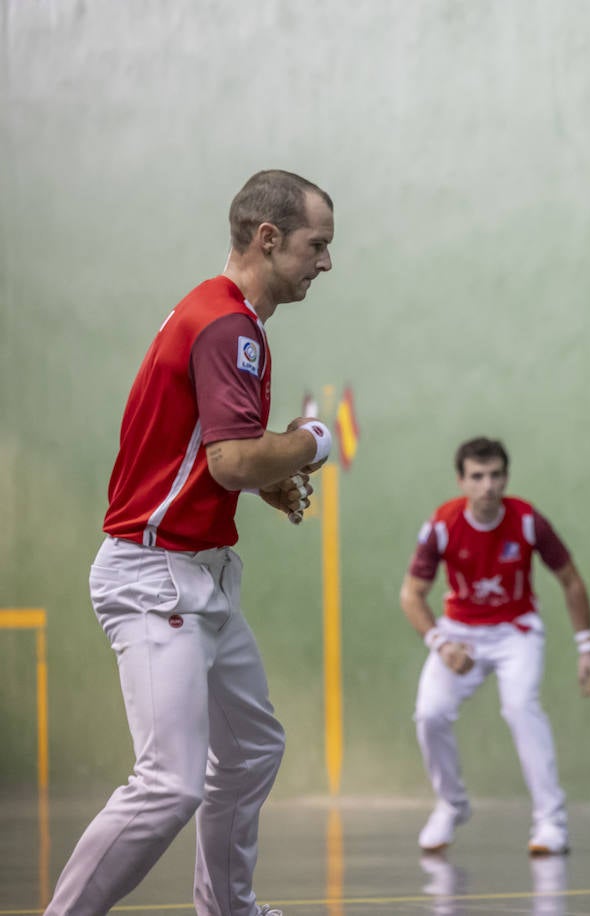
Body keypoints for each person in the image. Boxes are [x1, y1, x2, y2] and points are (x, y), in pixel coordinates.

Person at [47, 170, 337, 916]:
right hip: (154, 580)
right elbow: (233, 458)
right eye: (317, 245)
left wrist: (255, 478)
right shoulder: (227, 326)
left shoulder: (220, 315)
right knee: (169, 783)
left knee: (250, 750)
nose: (326, 263)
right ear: (268, 239)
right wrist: (309, 442)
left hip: (200, 578)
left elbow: (208, 453)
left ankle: (227, 911)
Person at [400, 436, 590, 857]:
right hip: (459, 633)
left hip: (516, 632)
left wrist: (586, 647)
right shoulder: (442, 525)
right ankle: (451, 804)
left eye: (495, 476)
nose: (487, 486)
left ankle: (551, 822)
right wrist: (441, 644)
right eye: (477, 477)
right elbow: (411, 594)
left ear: (506, 477)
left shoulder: (528, 521)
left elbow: (571, 579)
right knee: (430, 714)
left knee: (520, 707)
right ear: (461, 481)